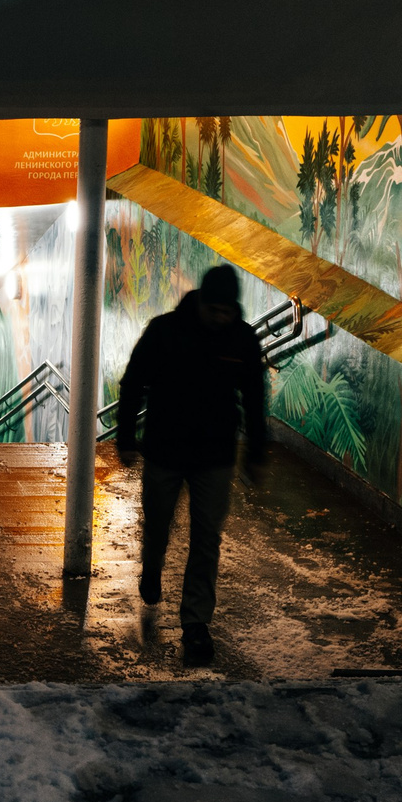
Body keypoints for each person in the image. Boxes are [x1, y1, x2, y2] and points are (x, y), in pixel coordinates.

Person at [112, 263, 268, 667]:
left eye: (227, 311)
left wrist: (256, 452)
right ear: (201, 302)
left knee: (206, 539)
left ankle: (196, 624)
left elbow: (255, 397)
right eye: (214, 310)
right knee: (158, 524)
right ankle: (152, 570)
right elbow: (133, 383)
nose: (221, 318)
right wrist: (126, 439)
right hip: (165, 451)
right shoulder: (165, 331)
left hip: (215, 457)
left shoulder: (242, 339)